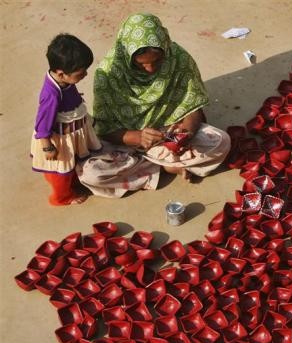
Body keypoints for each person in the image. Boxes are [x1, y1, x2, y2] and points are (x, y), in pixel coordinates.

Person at [78, 13, 231, 198]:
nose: (151, 69)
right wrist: (138, 137)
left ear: (165, 48)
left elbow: (194, 107)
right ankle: (164, 167)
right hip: (125, 141)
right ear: (127, 56)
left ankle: (154, 166)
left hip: (168, 135)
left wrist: (186, 133)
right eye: (142, 64)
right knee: (91, 174)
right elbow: (104, 128)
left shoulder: (179, 59)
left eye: (157, 61)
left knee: (221, 141)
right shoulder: (108, 73)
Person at [31, 34, 102, 206]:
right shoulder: (51, 95)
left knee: (72, 162)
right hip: (60, 139)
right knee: (60, 169)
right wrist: (48, 147)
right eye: (81, 72)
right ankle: (61, 197)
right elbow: (43, 122)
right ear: (61, 74)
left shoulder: (63, 80)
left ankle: (72, 183)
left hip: (72, 132)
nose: (85, 74)